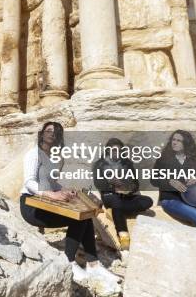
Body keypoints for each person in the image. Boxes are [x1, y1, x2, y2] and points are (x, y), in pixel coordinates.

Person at [19, 122, 120, 289]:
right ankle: (69, 262)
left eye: (56, 132)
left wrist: (64, 190)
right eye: (48, 130)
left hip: (46, 202)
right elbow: (29, 182)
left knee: (86, 215)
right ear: (42, 134)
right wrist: (51, 193)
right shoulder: (33, 154)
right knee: (78, 219)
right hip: (31, 205)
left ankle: (93, 264)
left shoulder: (55, 158)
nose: (52, 134)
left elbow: (52, 183)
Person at [93, 138, 153, 249]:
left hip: (126, 196)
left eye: (119, 151)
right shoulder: (100, 164)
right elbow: (99, 184)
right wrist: (113, 186)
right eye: (113, 150)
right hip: (110, 195)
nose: (116, 153)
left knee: (148, 201)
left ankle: (118, 211)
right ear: (108, 151)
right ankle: (123, 236)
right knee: (116, 201)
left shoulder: (127, 163)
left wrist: (128, 188)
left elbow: (136, 184)